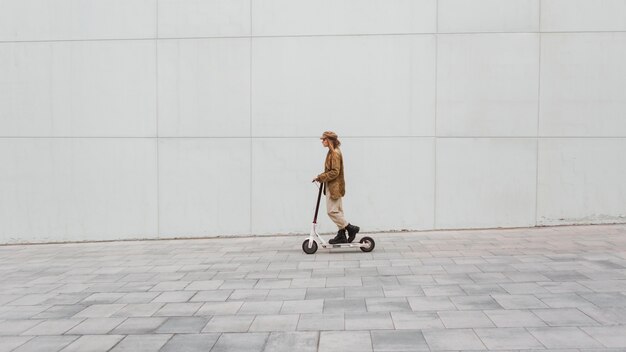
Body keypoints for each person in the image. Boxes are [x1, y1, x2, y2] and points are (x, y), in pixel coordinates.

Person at [312, 131, 360, 244]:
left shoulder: (334, 153)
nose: (322, 142)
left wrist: (320, 177)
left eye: (323, 140)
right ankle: (342, 235)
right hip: (334, 186)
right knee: (338, 211)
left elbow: (335, 172)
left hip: (334, 187)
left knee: (332, 212)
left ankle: (350, 228)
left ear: (329, 140)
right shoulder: (331, 152)